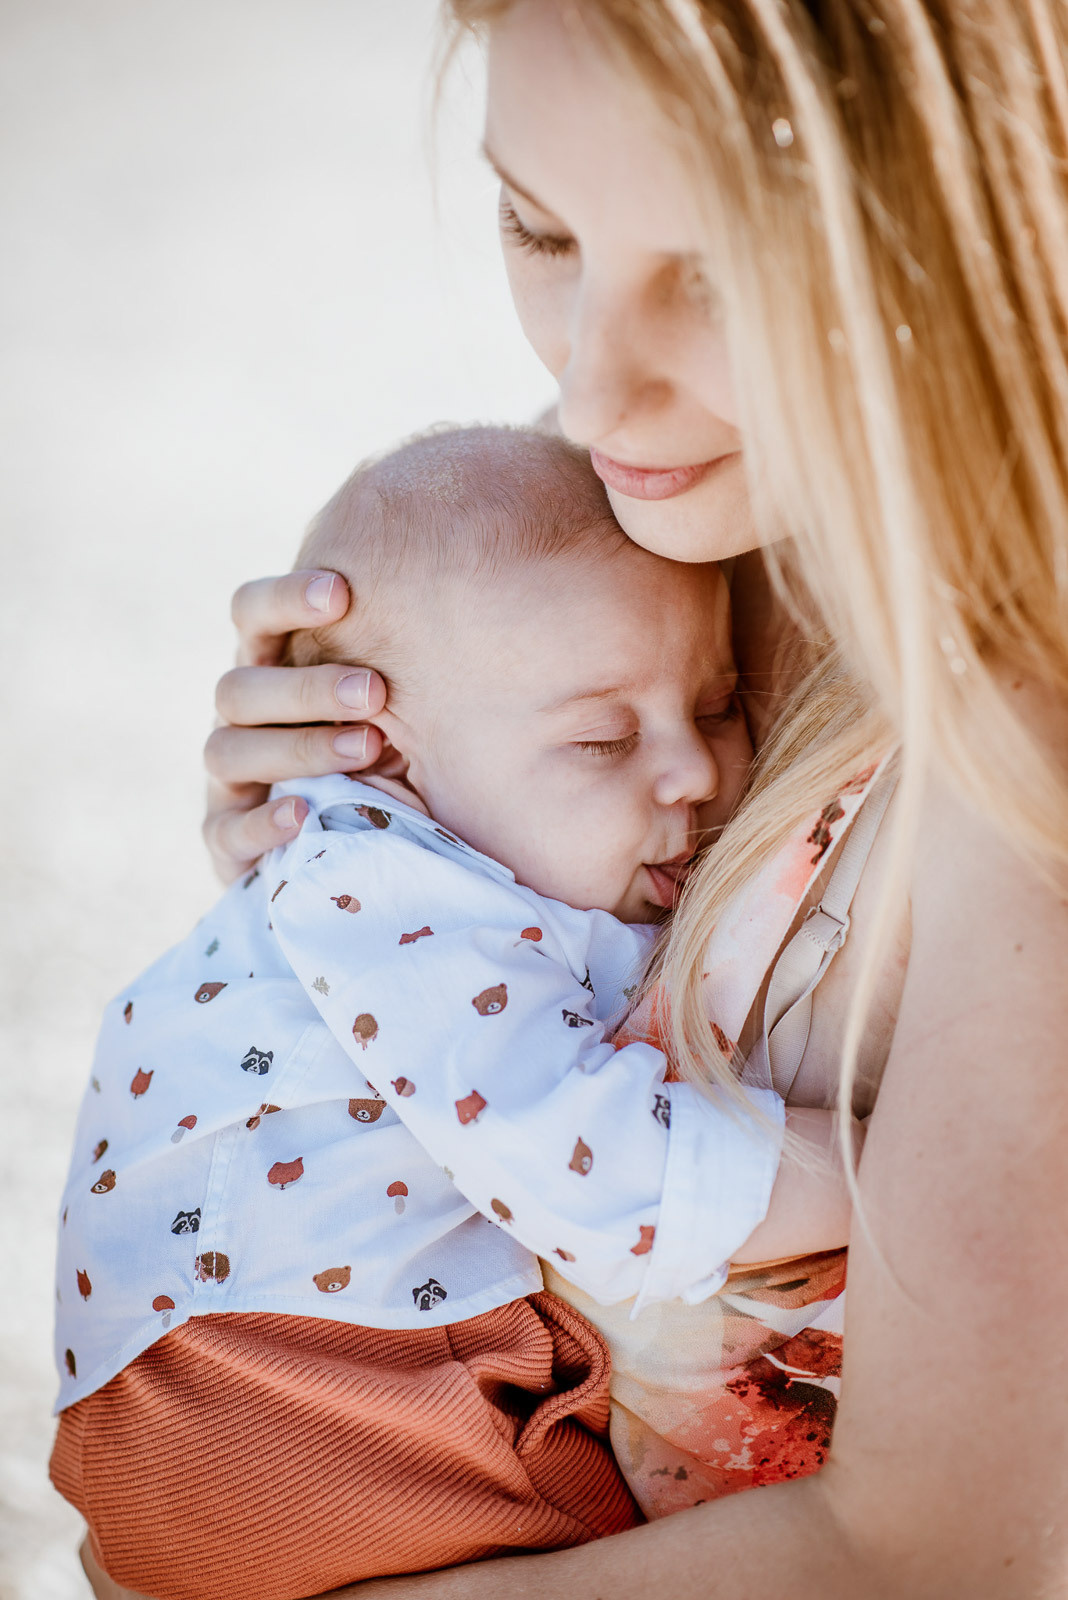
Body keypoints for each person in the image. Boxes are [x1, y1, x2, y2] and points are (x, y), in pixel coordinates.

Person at [98, 1, 1067, 1595]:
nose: (595, 397)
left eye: (724, 279)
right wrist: (365, 856)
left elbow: (935, 1558)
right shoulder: (614, 529)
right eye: (541, 228)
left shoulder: (1017, 753)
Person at [56, 424, 861, 1600]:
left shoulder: (410, 857)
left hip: (223, 1404)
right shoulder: (389, 887)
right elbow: (603, 1166)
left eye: (719, 705)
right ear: (381, 757)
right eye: (602, 739)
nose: (694, 771)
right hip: (303, 1397)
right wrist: (892, 1174)